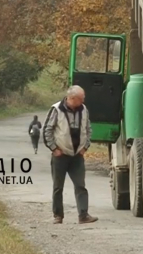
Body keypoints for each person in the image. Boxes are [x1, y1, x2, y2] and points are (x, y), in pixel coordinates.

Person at [42, 85, 97, 224]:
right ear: (72, 98)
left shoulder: (84, 110)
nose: (83, 101)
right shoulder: (56, 109)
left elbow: (88, 129)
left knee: (80, 186)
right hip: (60, 155)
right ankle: (58, 216)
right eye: (81, 99)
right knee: (58, 187)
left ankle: (83, 215)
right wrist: (54, 149)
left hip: (77, 155)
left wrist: (85, 147)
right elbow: (47, 130)